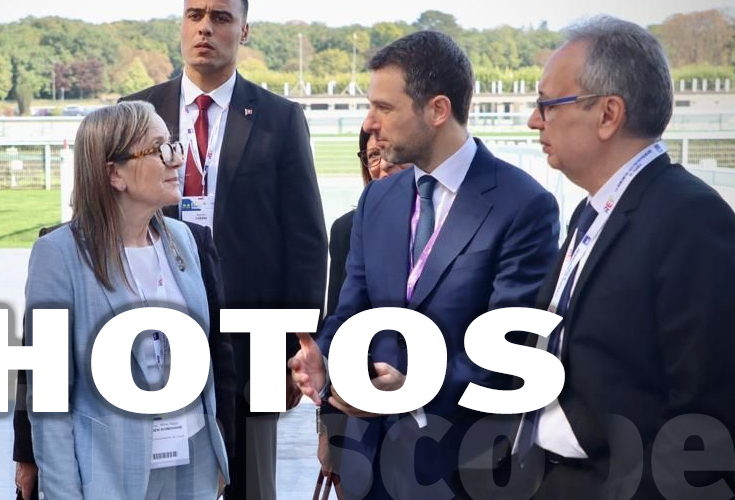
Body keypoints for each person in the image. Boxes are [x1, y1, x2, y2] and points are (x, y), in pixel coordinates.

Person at [290, 31, 560, 500]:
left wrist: (413, 387)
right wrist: (326, 362)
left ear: (437, 110)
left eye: (385, 108)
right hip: (368, 470)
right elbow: (351, 314)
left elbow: (512, 353)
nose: (369, 123)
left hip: (461, 471)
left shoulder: (524, 206)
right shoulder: (377, 198)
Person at [510, 16, 735, 499]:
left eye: (548, 104)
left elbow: (708, 417)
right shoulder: (592, 214)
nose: (534, 120)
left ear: (608, 114)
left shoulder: (690, 220)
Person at [122, 1, 328, 498]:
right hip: (153, 333)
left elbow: (305, 244)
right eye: (194, 15)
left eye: (220, 17)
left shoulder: (280, 120)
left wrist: (290, 352)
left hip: (251, 339)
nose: (205, 28)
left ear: (244, 30)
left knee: (251, 484)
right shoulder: (135, 114)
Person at [24, 101, 229, 500]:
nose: (176, 159)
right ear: (114, 173)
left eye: (173, 145)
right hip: (110, 474)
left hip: (191, 463)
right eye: (158, 149)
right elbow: (49, 402)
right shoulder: (59, 255)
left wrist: (215, 456)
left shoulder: (182, 240)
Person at [13, 218, 235, 500]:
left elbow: (219, 353)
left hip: (188, 459)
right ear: (113, 174)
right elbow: (38, 375)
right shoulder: (60, 249)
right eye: (164, 168)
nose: (175, 171)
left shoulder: (189, 238)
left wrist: (221, 451)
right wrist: (27, 454)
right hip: (109, 467)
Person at [327, 129, 408, 315]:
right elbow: (337, 315)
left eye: (395, 151)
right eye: (373, 155)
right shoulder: (345, 229)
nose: (385, 164)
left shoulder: (443, 219)